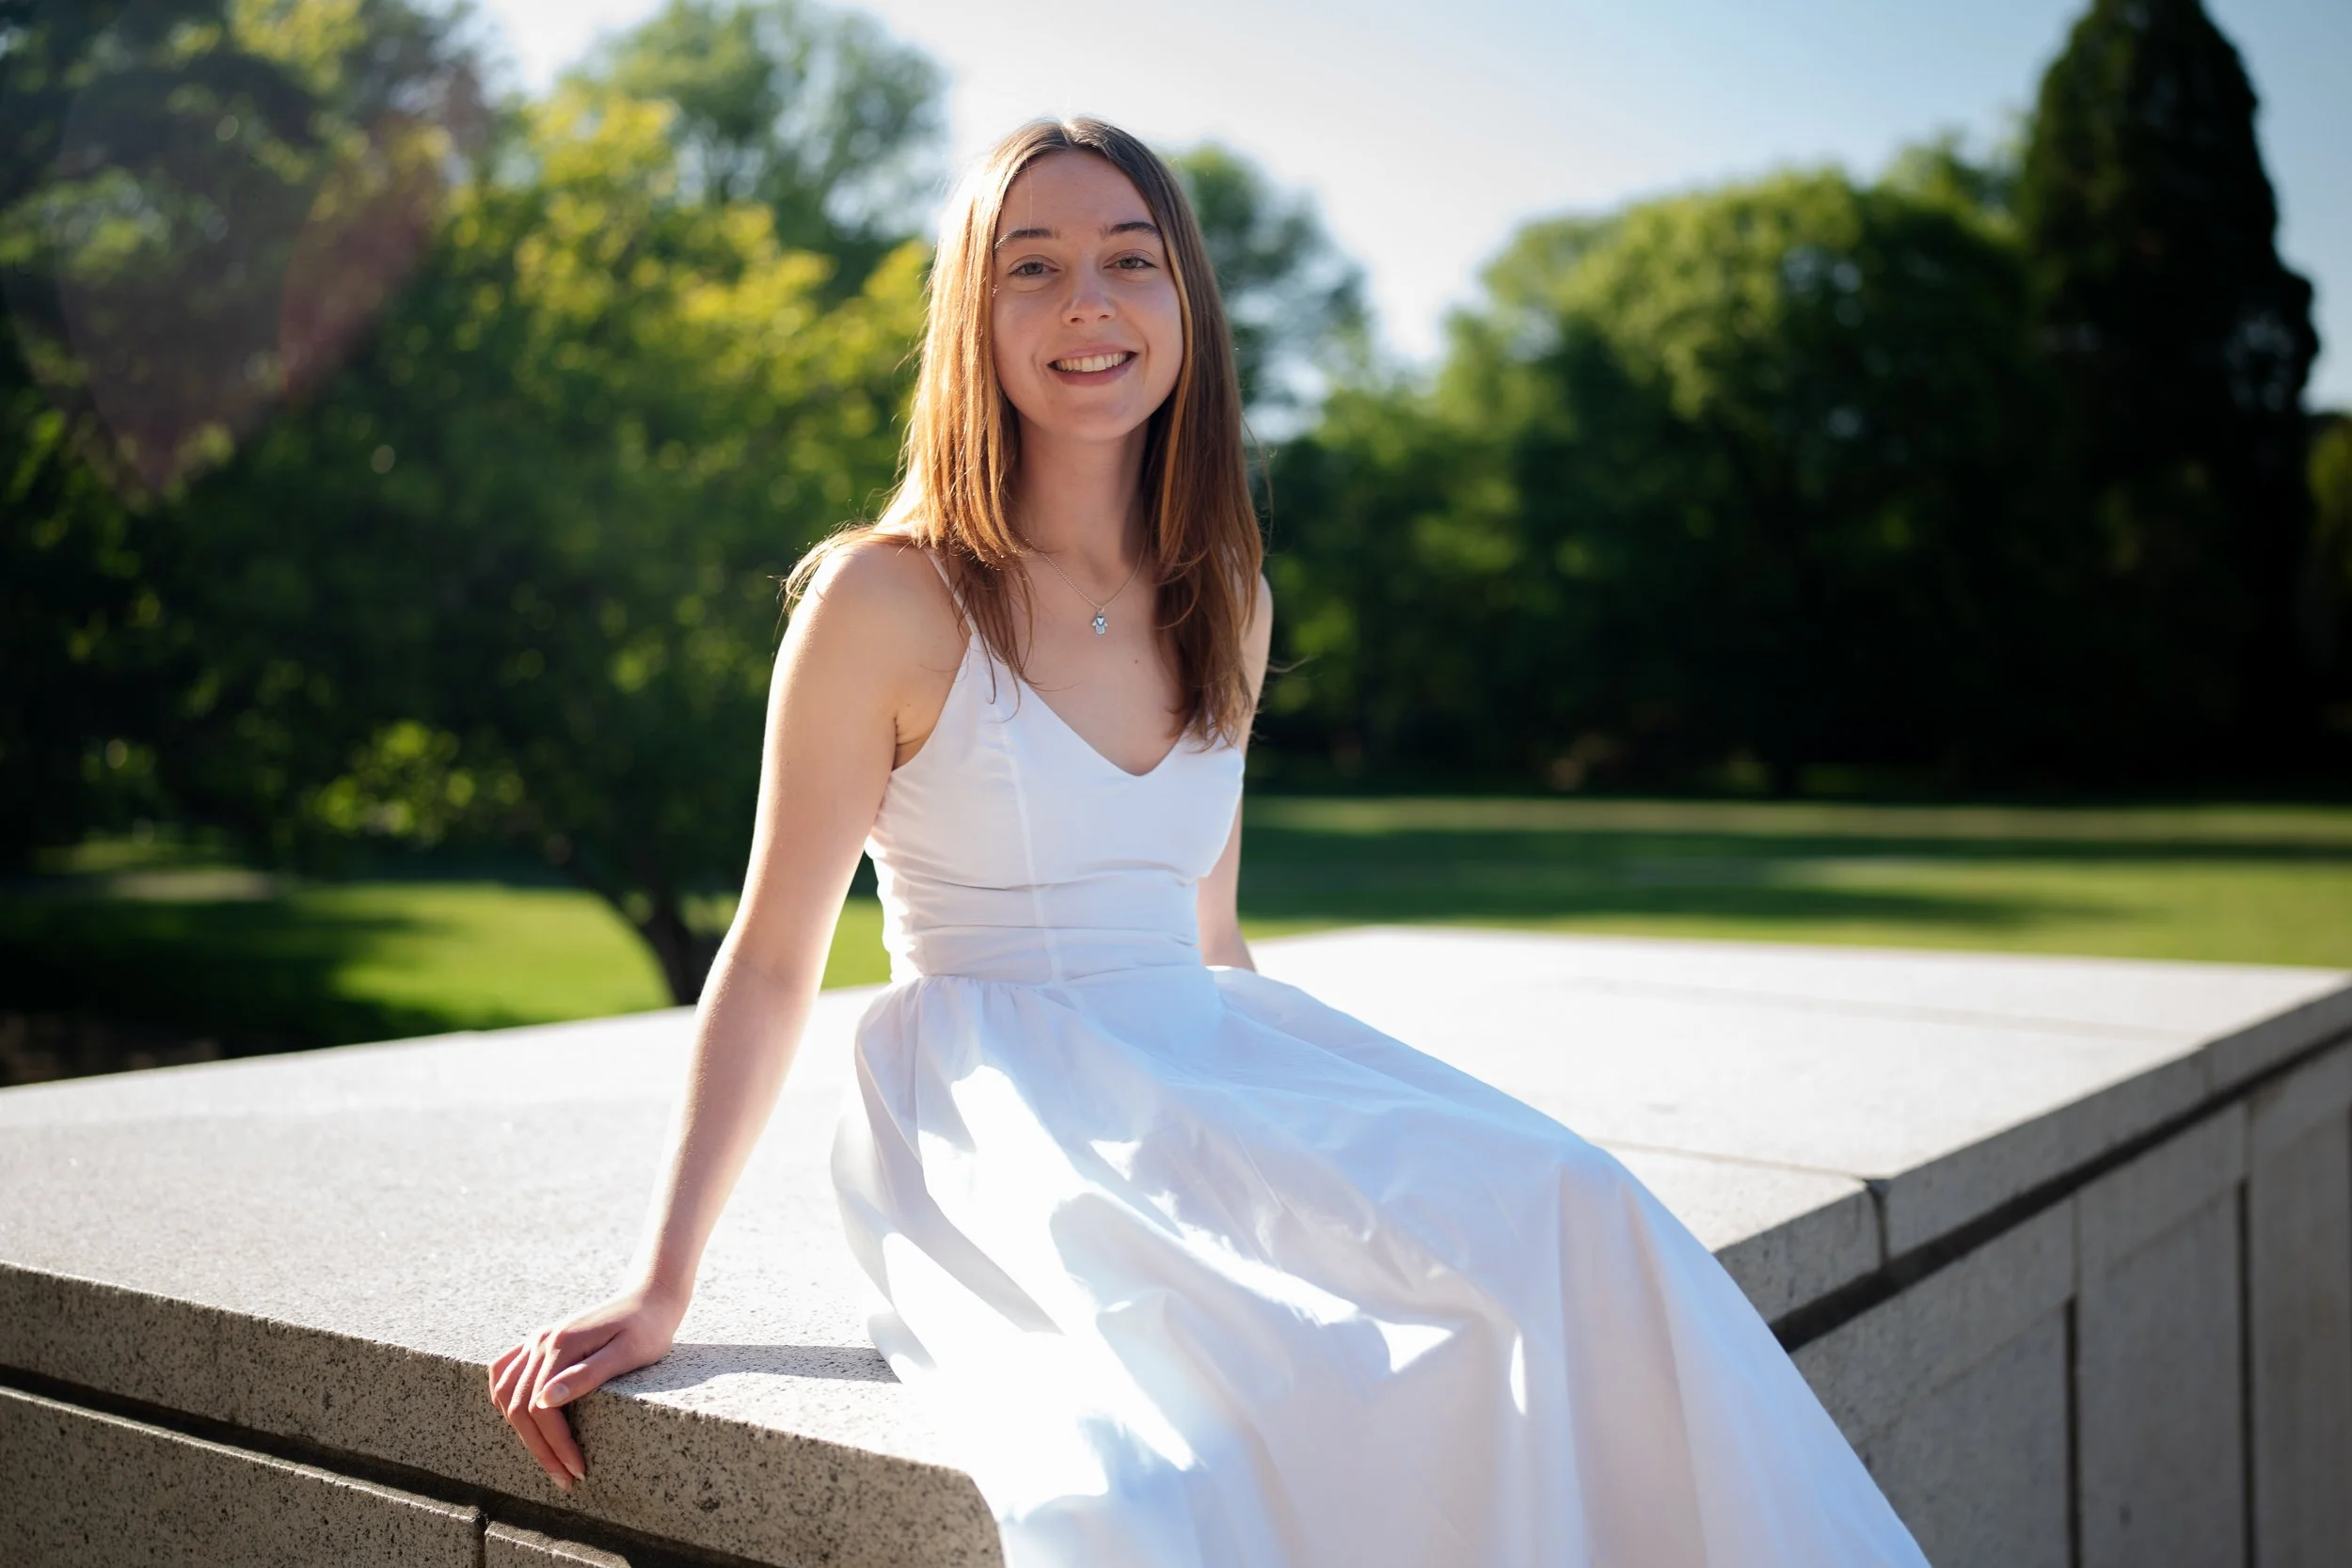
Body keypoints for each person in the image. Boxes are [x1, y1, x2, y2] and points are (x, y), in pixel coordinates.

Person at [486, 117, 1930, 1567]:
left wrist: (1325, 1141)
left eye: (1131, 259)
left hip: (1199, 1049)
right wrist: (660, 1282)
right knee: (1176, 1446)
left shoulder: (1226, 595)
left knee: (1581, 1209)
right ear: (970, 316)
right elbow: (776, 951)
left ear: (1187, 303)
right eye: (1031, 267)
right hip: (997, 1107)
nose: (1088, 305)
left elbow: (1209, 934)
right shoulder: (885, 597)